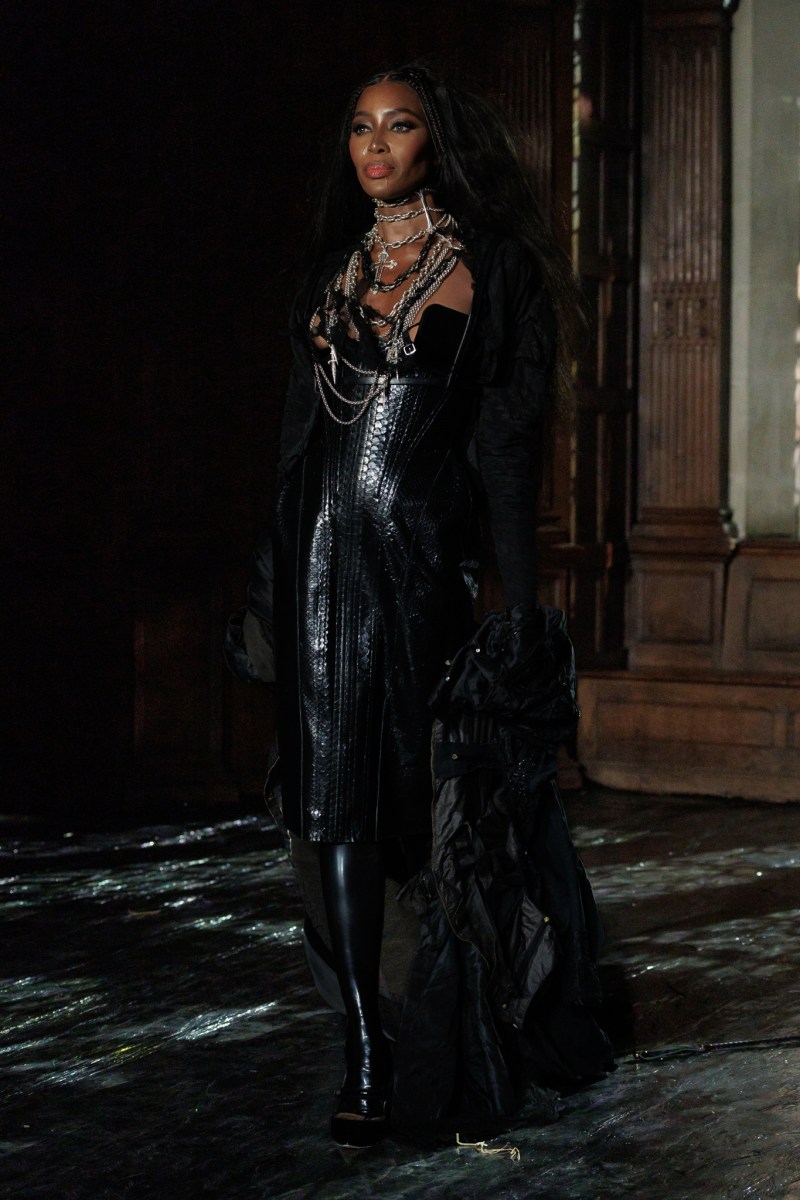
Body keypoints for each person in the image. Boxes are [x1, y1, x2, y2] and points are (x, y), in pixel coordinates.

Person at [225, 64, 613, 1149]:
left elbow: (505, 454)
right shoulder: (330, 272)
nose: (375, 146)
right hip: (317, 564)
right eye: (360, 128)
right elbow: (296, 446)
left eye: (398, 127)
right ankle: (364, 1043)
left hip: (419, 569)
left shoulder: (493, 269)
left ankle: (459, 1012)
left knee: (421, 806)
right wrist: (267, 586)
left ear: (434, 141)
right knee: (333, 808)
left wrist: (519, 611)